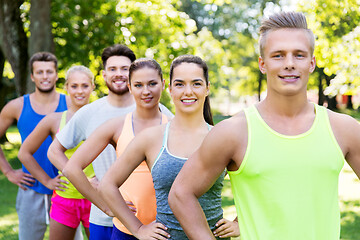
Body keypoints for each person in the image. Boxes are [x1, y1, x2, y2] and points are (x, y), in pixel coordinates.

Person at [168, 12, 360, 240]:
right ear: (262, 63)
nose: (289, 64)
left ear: (311, 63)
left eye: (299, 55)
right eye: (278, 56)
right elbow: (181, 193)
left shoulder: (343, 128)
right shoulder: (234, 132)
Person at [99, 55, 240, 240]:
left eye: (196, 84)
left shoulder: (222, 137)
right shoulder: (152, 138)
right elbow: (107, 185)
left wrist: (239, 222)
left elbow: (259, 183)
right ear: (170, 89)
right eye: (180, 84)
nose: (188, 91)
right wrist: (138, 229)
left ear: (207, 88)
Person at [47, 44, 172, 240]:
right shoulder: (90, 113)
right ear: (104, 75)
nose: (119, 74)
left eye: (124, 68)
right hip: (104, 217)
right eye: (113, 69)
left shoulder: (163, 113)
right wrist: (102, 201)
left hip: (154, 217)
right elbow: (56, 153)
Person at [18, 65, 95, 240]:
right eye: (74, 86)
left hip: (96, 198)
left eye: (85, 85)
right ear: (66, 87)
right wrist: (47, 181)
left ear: (92, 87)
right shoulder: (54, 120)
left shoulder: (103, 118)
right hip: (65, 199)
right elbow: (24, 153)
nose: (80, 91)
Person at [0, 52, 69, 240]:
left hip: (66, 190)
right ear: (32, 76)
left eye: (49, 71)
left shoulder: (71, 104)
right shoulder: (16, 106)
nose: (45, 76)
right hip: (31, 189)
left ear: (56, 75)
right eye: (39, 72)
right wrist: (8, 172)